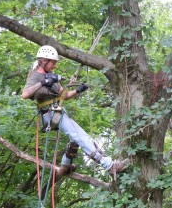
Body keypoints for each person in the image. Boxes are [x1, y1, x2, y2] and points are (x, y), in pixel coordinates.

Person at [22, 45, 128, 177]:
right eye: (53, 63)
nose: (55, 66)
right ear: (43, 61)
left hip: (58, 111)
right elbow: (25, 94)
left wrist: (78, 90)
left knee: (75, 140)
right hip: (50, 114)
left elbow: (64, 95)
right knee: (80, 136)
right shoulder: (36, 76)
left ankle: (65, 165)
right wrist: (43, 82)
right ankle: (110, 166)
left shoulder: (51, 76)